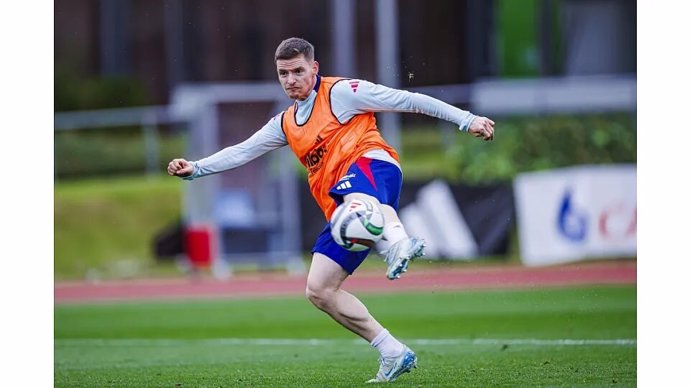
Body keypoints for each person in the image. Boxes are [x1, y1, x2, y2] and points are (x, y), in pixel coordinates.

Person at [167, 37, 495, 383]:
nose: (291, 79)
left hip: (373, 165)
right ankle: (392, 350)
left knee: (358, 201)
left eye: (298, 71)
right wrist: (197, 167)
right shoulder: (286, 123)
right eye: (283, 73)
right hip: (343, 207)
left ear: (315, 68)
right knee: (319, 289)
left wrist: (466, 119)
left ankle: (397, 241)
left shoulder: (342, 92)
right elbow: (243, 150)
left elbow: (407, 100)